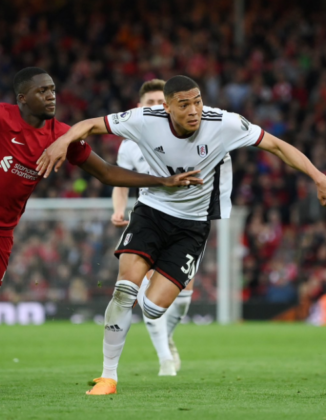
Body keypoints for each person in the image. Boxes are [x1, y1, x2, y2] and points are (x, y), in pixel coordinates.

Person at [0, 62, 201, 394]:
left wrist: (163, 181)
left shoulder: (62, 136)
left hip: (3, 229)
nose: (51, 95)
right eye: (42, 91)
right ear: (22, 98)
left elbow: (108, 173)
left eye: (53, 89)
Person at [37, 75, 326, 395]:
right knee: (124, 289)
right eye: (184, 105)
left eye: (197, 101)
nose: (194, 110)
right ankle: (108, 376)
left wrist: (318, 177)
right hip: (151, 212)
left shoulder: (224, 123)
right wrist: (61, 141)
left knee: (153, 309)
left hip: (192, 225)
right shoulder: (143, 120)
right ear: (167, 108)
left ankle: (152, 309)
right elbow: (90, 124)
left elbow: (276, 145)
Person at [111, 79, 194, 376]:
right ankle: (165, 361)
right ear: (139, 107)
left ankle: (167, 337)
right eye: (150, 103)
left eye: (162, 102)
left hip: (188, 223)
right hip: (150, 219)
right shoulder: (130, 143)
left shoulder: (188, 133)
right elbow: (120, 181)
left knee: (182, 300)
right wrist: (118, 209)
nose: (157, 107)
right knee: (140, 289)